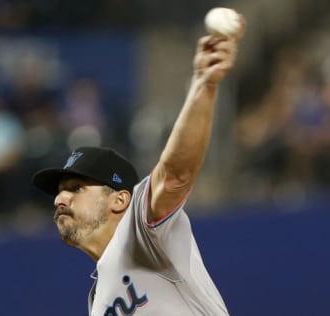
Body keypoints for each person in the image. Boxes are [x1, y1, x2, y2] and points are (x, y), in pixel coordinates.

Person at [33, 16, 245, 316]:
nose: (59, 198)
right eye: (60, 191)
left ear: (120, 199)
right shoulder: (97, 299)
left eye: (76, 188)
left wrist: (204, 85)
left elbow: (174, 175)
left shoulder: (141, 233)